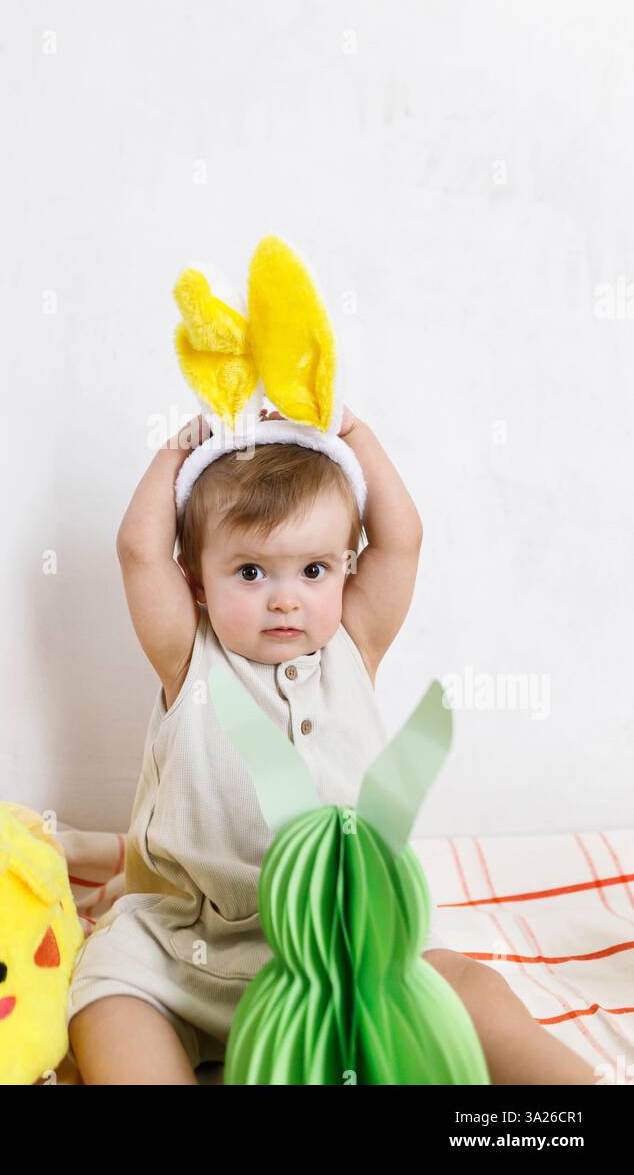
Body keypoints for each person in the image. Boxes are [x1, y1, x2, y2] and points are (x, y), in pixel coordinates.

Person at [67, 408, 597, 1085]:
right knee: (109, 1004)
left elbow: (402, 540)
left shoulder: (354, 644)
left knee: (467, 987)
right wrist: (179, 446)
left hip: (350, 948)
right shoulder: (187, 657)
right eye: (252, 573)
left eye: (313, 570)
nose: (286, 600)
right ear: (197, 582)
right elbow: (138, 550)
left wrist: (353, 435)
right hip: (185, 950)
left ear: (346, 570)